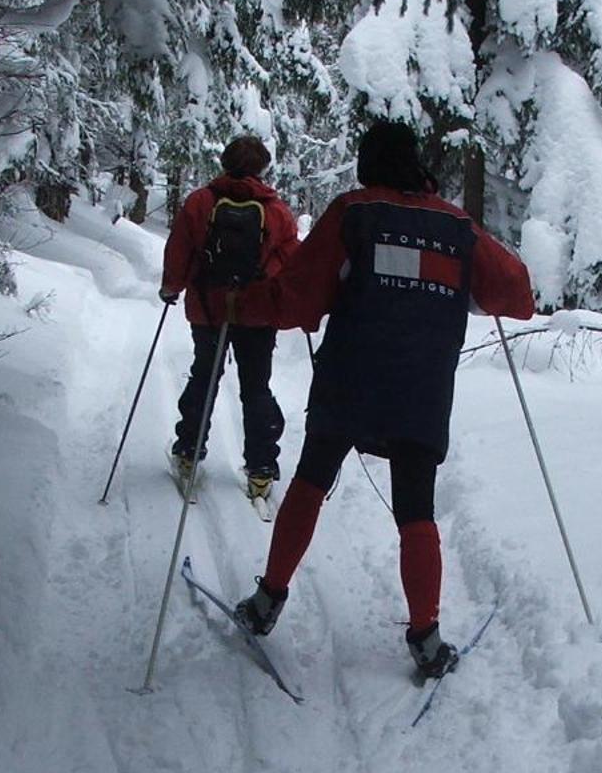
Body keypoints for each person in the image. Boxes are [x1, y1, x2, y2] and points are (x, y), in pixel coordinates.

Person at [229, 118, 535, 681]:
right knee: (416, 511)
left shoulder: (354, 212)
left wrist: (236, 305)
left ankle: (268, 600)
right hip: (421, 389)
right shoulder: (456, 226)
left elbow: (296, 300)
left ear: (368, 162)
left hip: (350, 377)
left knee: (310, 482)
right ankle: (425, 637)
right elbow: (517, 295)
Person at [159, 136, 300, 504]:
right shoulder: (277, 212)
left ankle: (188, 454)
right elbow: (289, 262)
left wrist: (171, 287)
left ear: (224, 162)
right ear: (262, 168)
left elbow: (180, 250)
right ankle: (260, 470)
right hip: (256, 312)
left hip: (209, 308)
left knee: (204, 377)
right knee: (256, 388)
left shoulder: (200, 202)